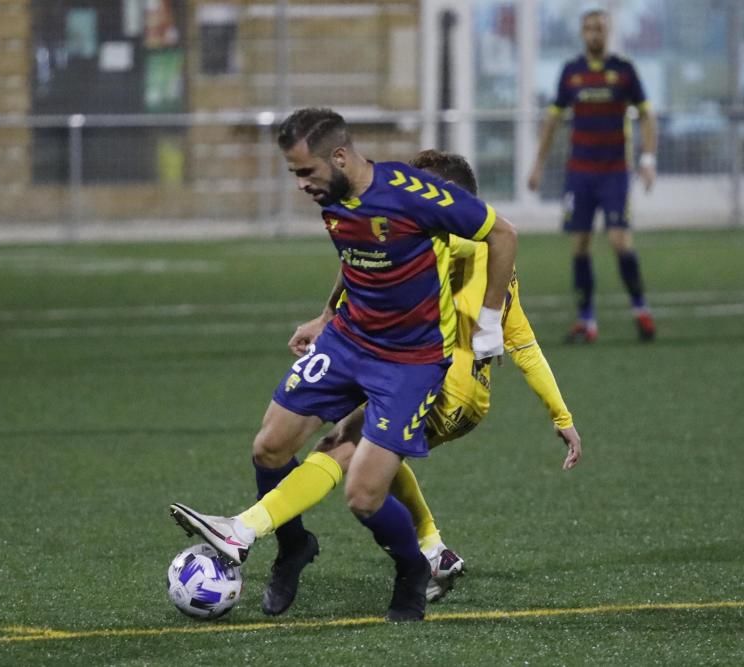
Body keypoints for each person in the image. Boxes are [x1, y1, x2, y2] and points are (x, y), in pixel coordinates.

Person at [171, 108, 518, 622]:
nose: (301, 184)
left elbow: (503, 234)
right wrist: (326, 313)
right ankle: (293, 548)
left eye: (305, 172)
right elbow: (356, 252)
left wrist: (489, 324)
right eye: (294, 174)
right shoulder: (332, 196)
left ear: (339, 156)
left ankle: (413, 570)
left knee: (363, 494)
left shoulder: (412, 193)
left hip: (409, 362)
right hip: (349, 340)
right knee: (269, 447)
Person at [218, 150, 582, 616]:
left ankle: (248, 527)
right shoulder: (485, 264)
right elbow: (524, 343)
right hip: (451, 391)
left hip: (443, 388)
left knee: (340, 449)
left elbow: (484, 239)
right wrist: (561, 415)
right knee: (372, 456)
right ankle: (433, 551)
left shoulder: (461, 242)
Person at [527, 8, 657, 343]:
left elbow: (646, 116)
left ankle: (641, 308)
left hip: (614, 171)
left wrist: (648, 159)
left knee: (619, 241)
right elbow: (552, 121)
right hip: (580, 172)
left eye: (599, 28)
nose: (594, 33)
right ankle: (587, 320)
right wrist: (538, 164)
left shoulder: (624, 71)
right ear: (582, 33)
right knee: (580, 245)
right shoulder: (571, 73)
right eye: (589, 28)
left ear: (608, 31)